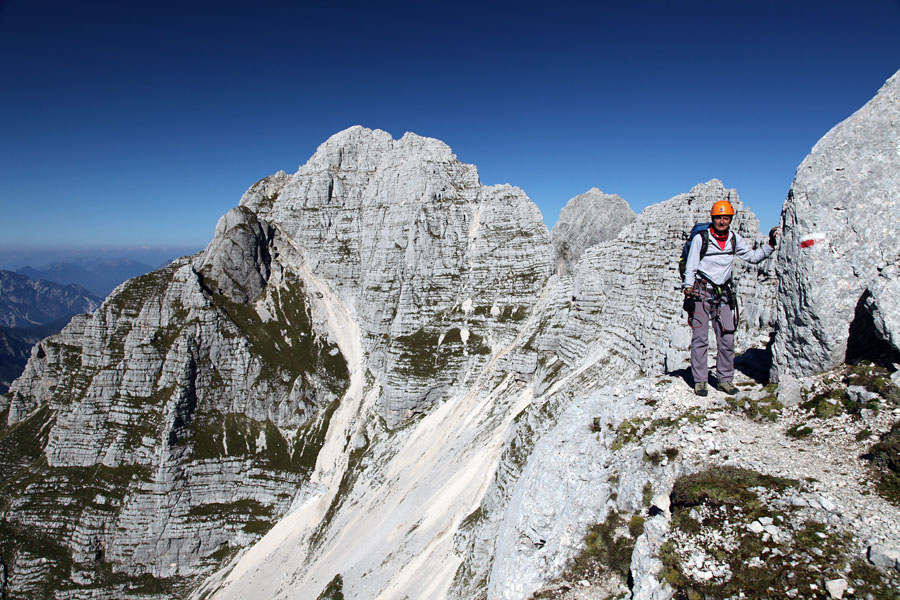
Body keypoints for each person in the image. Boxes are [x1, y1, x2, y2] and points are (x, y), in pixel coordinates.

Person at [682, 200, 778, 396]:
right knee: (700, 339)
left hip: (723, 295)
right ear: (713, 218)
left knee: (727, 338)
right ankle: (700, 380)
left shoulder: (734, 239)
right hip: (701, 293)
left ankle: (725, 379)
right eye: (719, 217)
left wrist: (770, 245)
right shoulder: (702, 238)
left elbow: (752, 257)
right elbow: (691, 267)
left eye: (726, 218)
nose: (722, 221)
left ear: (731, 219)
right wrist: (688, 292)